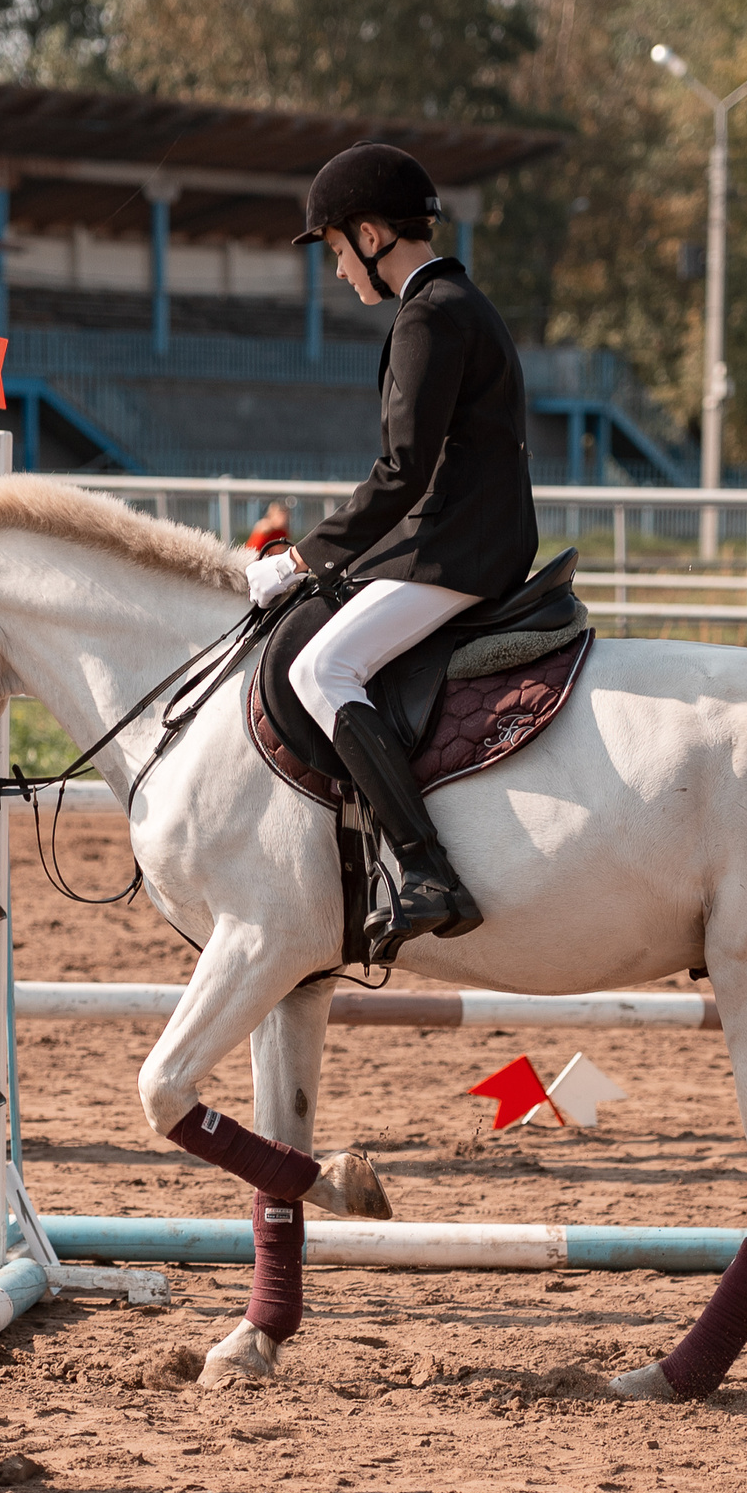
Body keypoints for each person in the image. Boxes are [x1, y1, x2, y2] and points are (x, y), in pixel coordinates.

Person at [242, 142, 539, 953]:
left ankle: (423, 867)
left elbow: (403, 472)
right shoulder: (455, 301)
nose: (339, 270)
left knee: (320, 668)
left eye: (339, 250)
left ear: (371, 236)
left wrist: (299, 559)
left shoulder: (430, 314)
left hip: (458, 547)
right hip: (464, 535)